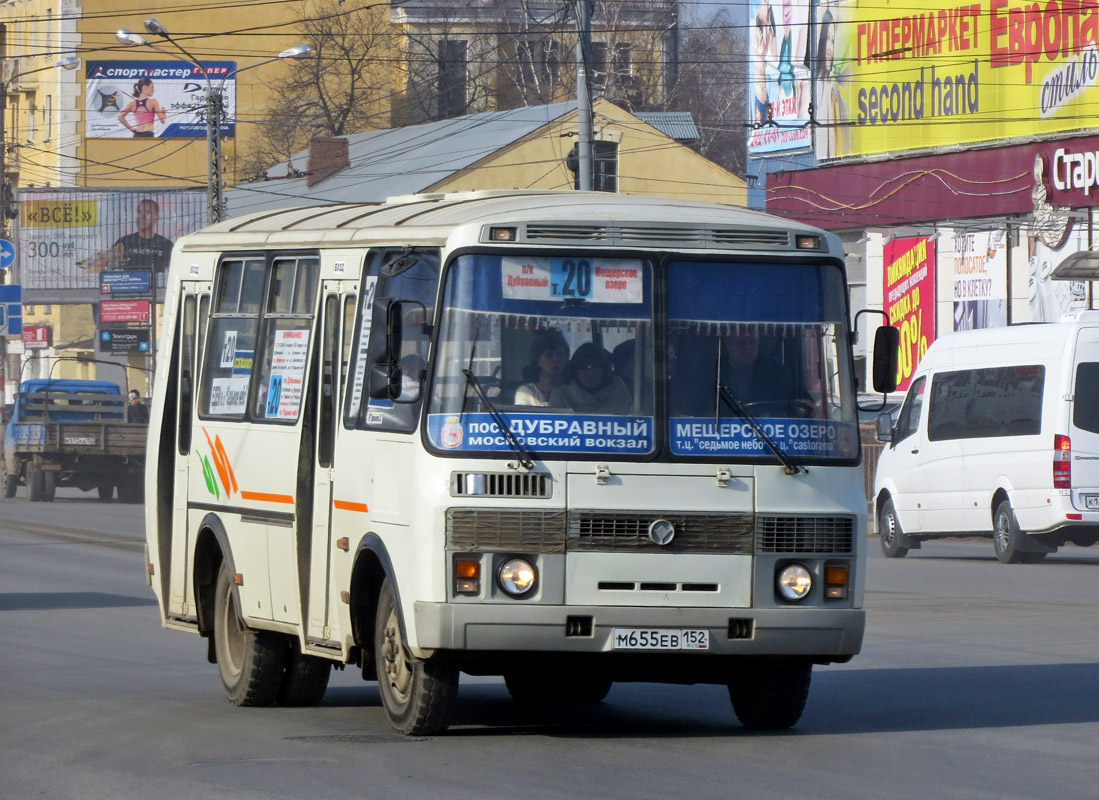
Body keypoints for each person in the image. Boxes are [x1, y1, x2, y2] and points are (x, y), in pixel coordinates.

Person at [719, 327, 808, 417]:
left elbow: (807, 404)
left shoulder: (776, 372)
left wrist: (801, 410)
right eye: (741, 343)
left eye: (752, 342)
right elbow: (707, 412)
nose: (748, 349)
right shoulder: (715, 373)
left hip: (768, 430)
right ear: (728, 344)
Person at [88, 198, 175, 288]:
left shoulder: (165, 244)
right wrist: (105, 258)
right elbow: (102, 265)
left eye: (147, 212)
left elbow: (174, 272)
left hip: (156, 290)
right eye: (139, 212)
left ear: (156, 217)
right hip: (129, 288)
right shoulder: (125, 242)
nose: (142, 216)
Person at [549, 342, 632, 415]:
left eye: (595, 367)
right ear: (575, 370)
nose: (590, 373)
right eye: (584, 367)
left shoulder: (619, 391)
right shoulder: (561, 395)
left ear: (604, 369)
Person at [514, 329, 569, 406]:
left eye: (560, 355)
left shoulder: (571, 393)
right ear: (538, 360)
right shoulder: (527, 393)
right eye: (549, 355)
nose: (555, 359)